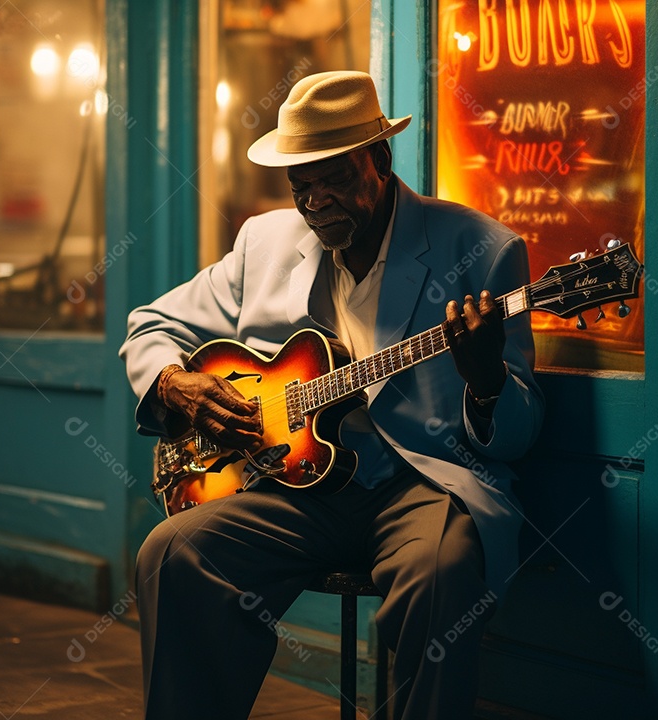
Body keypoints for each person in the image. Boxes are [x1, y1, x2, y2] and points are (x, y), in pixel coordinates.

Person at [120, 70, 544, 719]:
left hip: (421, 484)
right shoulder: (263, 242)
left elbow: (516, 434)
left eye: (335, 177)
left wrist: (486, 380)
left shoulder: (481, 250)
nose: (316, 200)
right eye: (301, 184)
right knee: (172, 553)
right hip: (296, 490)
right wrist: (177, 385)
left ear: (379, 159)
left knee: (441, 572)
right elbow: (153, 323)